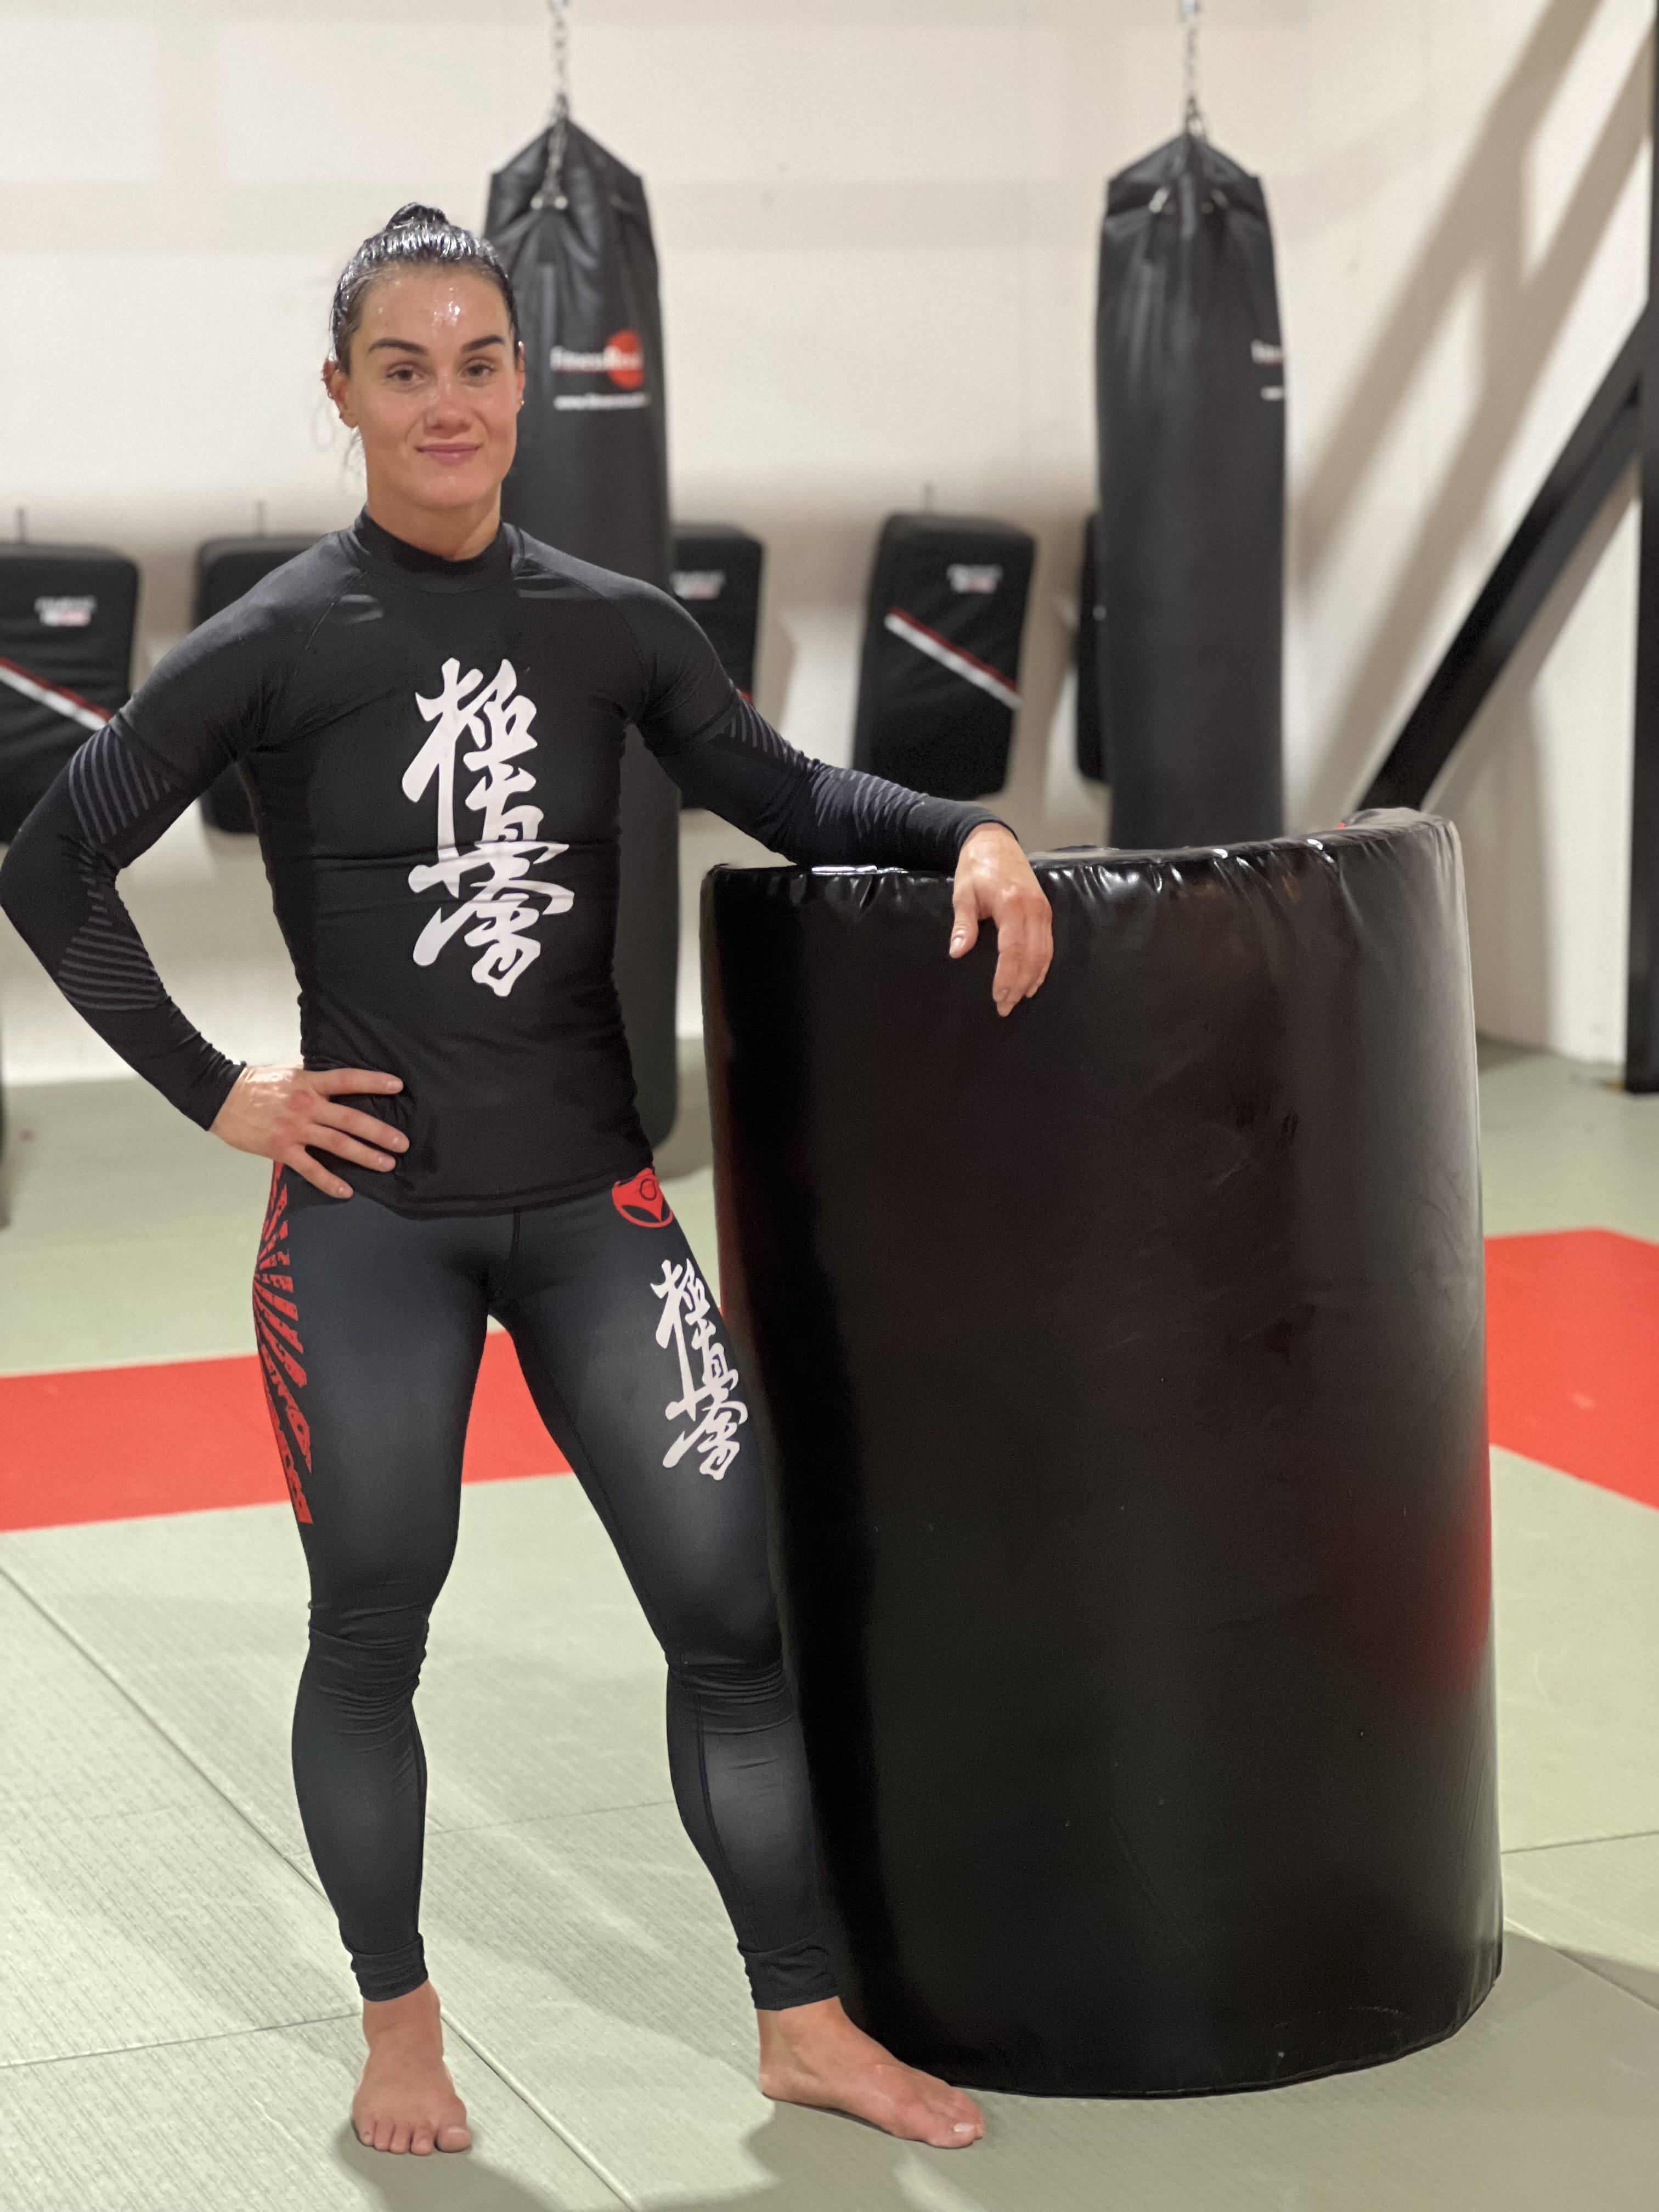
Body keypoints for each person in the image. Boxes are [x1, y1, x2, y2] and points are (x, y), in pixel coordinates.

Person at [0, 206, 1053, 2158]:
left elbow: (791, 795)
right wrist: (218, 1092)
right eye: (404, 368)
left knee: (729, 1615)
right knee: (372, 1627)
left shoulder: (613, 625)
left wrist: (971, 833)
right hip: (370, 1229)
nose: (449, 400)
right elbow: (50, 859)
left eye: (480, 363)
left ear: (522, 388)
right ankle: (398, 2025)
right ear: (342, 396)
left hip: (593, 1215)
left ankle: (801, 2022)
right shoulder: (272, 642)